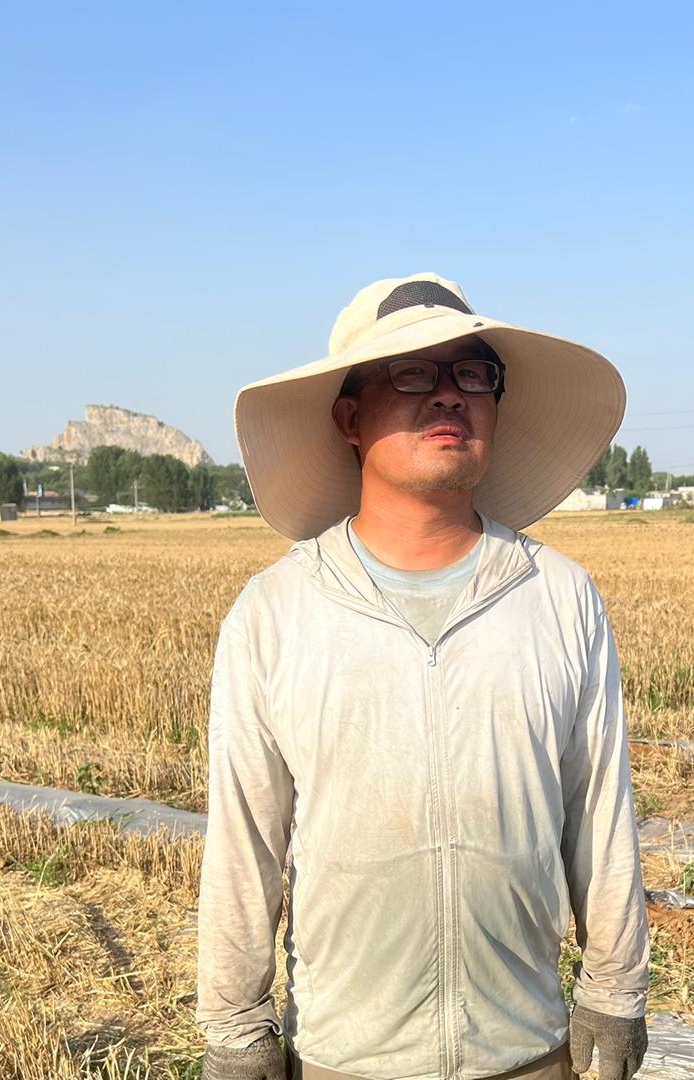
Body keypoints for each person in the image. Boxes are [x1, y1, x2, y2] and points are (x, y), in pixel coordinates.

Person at [197, 273, 649, 1080]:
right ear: (348, 417)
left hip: (527, 1050)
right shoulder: (277, 613)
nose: (449, 395)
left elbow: (600, 811)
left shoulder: (558, 596)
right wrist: (235, 1028)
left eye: (472, 373)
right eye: (412, 373)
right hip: (346, 1054)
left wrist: (615, 991)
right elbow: (244, 840)